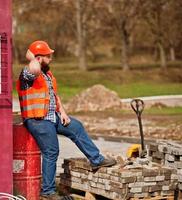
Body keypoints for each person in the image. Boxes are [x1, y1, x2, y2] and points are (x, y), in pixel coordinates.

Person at [16, 41, 116, 200]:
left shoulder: (47, 75)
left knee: (76, 127)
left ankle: (96, 159)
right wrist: (30, 56)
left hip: (51, 116)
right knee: (51, 150)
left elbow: (54, 96)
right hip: (37, 120)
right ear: (39, 58)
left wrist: (62, 112)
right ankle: (47, 192)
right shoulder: (28, 74)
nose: (51, 58)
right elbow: (34, 67)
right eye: (48, 55)